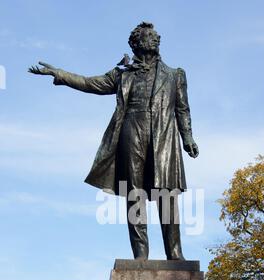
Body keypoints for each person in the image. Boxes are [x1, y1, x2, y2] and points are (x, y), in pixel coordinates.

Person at [29, 22, 199, 260]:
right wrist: (60, 73)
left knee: (167, 195)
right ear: (136, 43)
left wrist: (187, 136)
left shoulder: (175, 75)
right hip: (132, 130)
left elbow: (183, 109)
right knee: (135, 194)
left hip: (164, 135)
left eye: (156, 36)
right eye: (149, 36)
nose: (156, 38)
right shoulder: (122, 75)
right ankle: (141, 255)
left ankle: (175, 254)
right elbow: (91, 83)